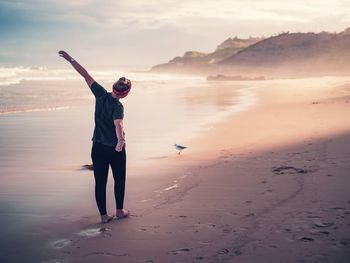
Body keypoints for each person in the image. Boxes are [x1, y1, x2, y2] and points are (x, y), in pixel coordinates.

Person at [58, 51, 131, 223]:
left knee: (100, 182)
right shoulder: (118, 107)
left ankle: (104, 216)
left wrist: (71, 59)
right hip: (114, 148)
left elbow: (85, 75)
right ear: (126, 93)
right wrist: (120, 141)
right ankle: (119, 211)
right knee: (119, 179)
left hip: (97, 147)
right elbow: (118, 124)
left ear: (113, 88)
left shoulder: (100, 94)